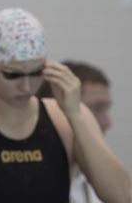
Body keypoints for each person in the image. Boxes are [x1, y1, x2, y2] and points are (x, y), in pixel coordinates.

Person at [0, 8, 130, 203]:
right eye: (13, 74)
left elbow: (122, 196)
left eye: (36, 72)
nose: (27, 86)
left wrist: (75, 115)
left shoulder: (62, 118)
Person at [37, 61, 114, 203]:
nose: (107, 123)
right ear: (57, 108)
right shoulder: (26, 180)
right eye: (97, 109)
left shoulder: (101, 182)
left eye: (105, 109)